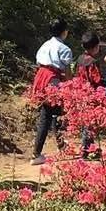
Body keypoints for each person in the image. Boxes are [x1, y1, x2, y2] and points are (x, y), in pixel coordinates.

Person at [30, 19, 74, 165]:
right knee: (54, 113)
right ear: (64, 32)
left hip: (42, 78)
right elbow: (67, 70)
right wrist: (70, 85)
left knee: (48, 113)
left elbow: (38, 62)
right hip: (53, 79)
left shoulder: (45, 45)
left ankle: (53, 148)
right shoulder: (64, 49)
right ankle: (40, 153)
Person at [76, 32, 105, 154]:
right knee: (91, 122)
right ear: (95, 47)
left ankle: (88, 147)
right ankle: (87, 149)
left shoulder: (80, 59)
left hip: (81, 93)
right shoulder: (92, 61)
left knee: (85, 122)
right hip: (91, 93)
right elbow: (96, 79)